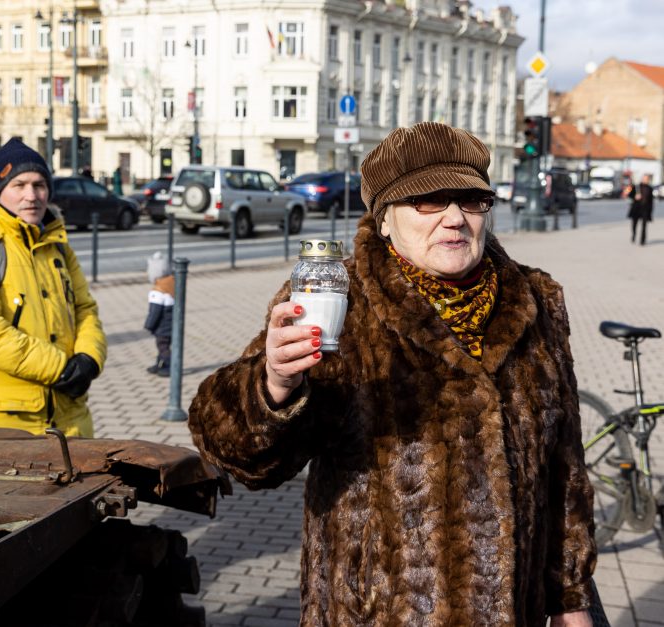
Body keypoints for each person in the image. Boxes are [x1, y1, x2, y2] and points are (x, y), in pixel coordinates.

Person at [187, 122, 597, 626]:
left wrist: (571, 599)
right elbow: (235, 450)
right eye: (427, 201)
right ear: (383, 220)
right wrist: (273, 384)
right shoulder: (337, 303)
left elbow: (566, 469)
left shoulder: (536, 301)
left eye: (470, 200)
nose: (454, 219)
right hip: (377, 612)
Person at [0, 138, 107, 437]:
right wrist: (60, 369)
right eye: (19, 185)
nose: (31, 195)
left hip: (69, 415)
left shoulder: (57, 246)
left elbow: (85, 309)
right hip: (4, 421)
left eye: (39, 185)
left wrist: (89, 359)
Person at [143, 252, 173, 377]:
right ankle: (159, 363)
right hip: (171, 325)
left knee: (162, 346)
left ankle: (169, 366)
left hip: (162, 327)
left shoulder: (158, 292)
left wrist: (149, 325)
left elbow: (154, 312)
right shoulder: (172, 285)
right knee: (163, 345)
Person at [627, 174, 653, 245]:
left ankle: (642, 240)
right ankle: (634, 234)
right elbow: (629, 195)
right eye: (645, 178)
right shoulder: (636, 187)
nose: (646, 180)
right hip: (636, 208)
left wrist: (650, 212)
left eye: (647, 179)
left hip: (645, 209)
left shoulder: (650, 188)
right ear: (642, 179)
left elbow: (651, 201)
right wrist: (635, 196)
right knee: (634, 224)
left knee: (644, 225)